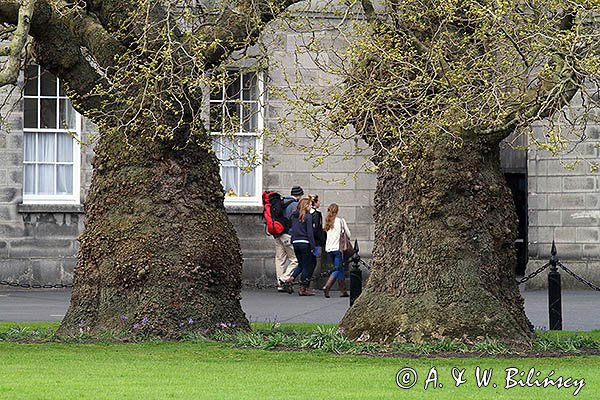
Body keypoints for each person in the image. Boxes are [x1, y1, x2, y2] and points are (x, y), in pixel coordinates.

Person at [274, 185, 304, 292]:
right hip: (288, 235)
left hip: (277, 234)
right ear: (299, 195)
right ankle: (284, 279)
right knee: (295, 260)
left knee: (280, 259)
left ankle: (280, 284)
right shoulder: (295, 205)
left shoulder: (280, 202)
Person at [285, 197, 316, 296]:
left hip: (295, 242)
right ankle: (303, 289)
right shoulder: (308, 216)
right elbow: (310, 233)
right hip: (305, 242)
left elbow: (292, 229)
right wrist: (312, 246)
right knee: (307, 266)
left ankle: (291, 278)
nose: (311, 206)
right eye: (310, 204)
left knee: (301, 264)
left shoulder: (294, 216)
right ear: (306, 205)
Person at [322, 203, 350, 298]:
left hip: (329, 249)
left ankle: (343, 291)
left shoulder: (327, 221)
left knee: (339, 268)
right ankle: (327, 286)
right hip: (338, 248)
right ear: (337, 211)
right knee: (337, 269)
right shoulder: (340, 221)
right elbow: (348, 234)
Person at [308, 194, 326, 286]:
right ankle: (306, 284)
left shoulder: (308, 213)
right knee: (312, 262)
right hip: (314, 241)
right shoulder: (315, 214)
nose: (320, 202)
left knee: (309, 262)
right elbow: (315, 228)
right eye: (318, 201)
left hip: (310, 240)